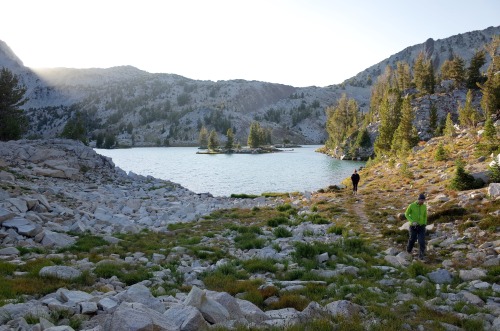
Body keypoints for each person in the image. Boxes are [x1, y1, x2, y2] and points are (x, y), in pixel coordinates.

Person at [405, 193, 428, 260]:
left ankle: (421, 255)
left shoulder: (424, 206)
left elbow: (425, 215)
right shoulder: (411, 205)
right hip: (413, 226)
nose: (422, 201)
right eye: (421, 200)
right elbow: (406, 214)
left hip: (421, 226)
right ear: (418, 199)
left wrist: (425, 223)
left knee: (422, 241)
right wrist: (412, 221)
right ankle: (408, 250)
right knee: (412, 239)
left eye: (423, 200)